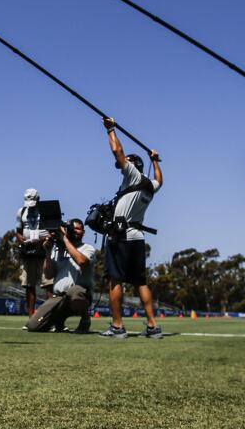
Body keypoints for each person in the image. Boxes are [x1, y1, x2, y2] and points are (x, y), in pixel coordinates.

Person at [99, 117, 163, 339]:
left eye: (125, 163)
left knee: (115, 280)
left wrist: (110, 130)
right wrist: (155, 160)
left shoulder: (133, 174)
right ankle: (153, 326)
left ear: (133, 166)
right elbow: (159, 180)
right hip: (137, 237)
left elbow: (117, 151)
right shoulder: (150, 187)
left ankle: (117, 327)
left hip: (122, 236)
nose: (121, 165)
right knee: (140, 281)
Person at [26, 220, 95, 333]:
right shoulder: (58, 250)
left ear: (83, 232)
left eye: (78, 228)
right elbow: (48, 275)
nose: (75, 231)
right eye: (72, 228)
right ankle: (59, 320)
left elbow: (82, 262)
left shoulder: (87, 248)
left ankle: (85, 318)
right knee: (33, 326)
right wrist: (48, 253)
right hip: (59, 297)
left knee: (74, 292)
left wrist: (64, 239)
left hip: (80, 295)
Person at [15, 188, 54, 316]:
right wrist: (23, 241)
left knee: (48, 284)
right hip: (28, 250)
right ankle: (31, 316)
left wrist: (42, 239)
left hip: (44, 248)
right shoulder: (21, 212)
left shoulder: (46, 210)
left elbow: (53, 230)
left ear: (38, 199)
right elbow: (18, 231)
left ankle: (50, 315)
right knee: (29, 285)